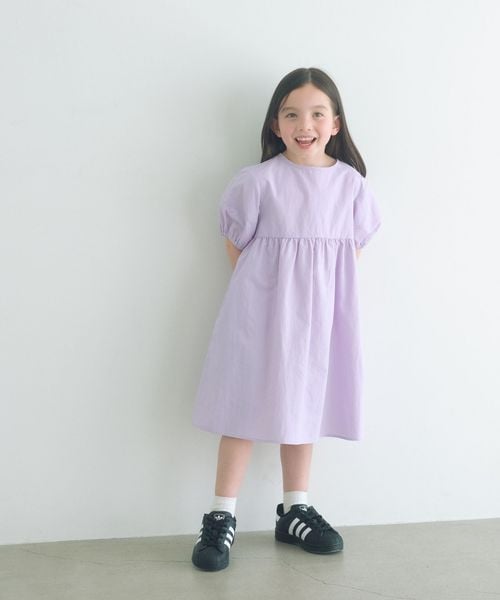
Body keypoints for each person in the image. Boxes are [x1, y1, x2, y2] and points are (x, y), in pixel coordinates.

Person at [191, 66, 382, 571]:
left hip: (320, 322)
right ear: (276, 124)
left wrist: (317, 303)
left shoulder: (351, 187)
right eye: (291, 114)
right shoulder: (258, 182)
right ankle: (221, 515)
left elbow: (349, 257)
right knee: (243, 407)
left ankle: (294, 509)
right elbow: (237, 247)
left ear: (335, 123)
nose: (305, 124)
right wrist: (268, 296)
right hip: (258, 315)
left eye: (317, 114)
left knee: (304, 407)